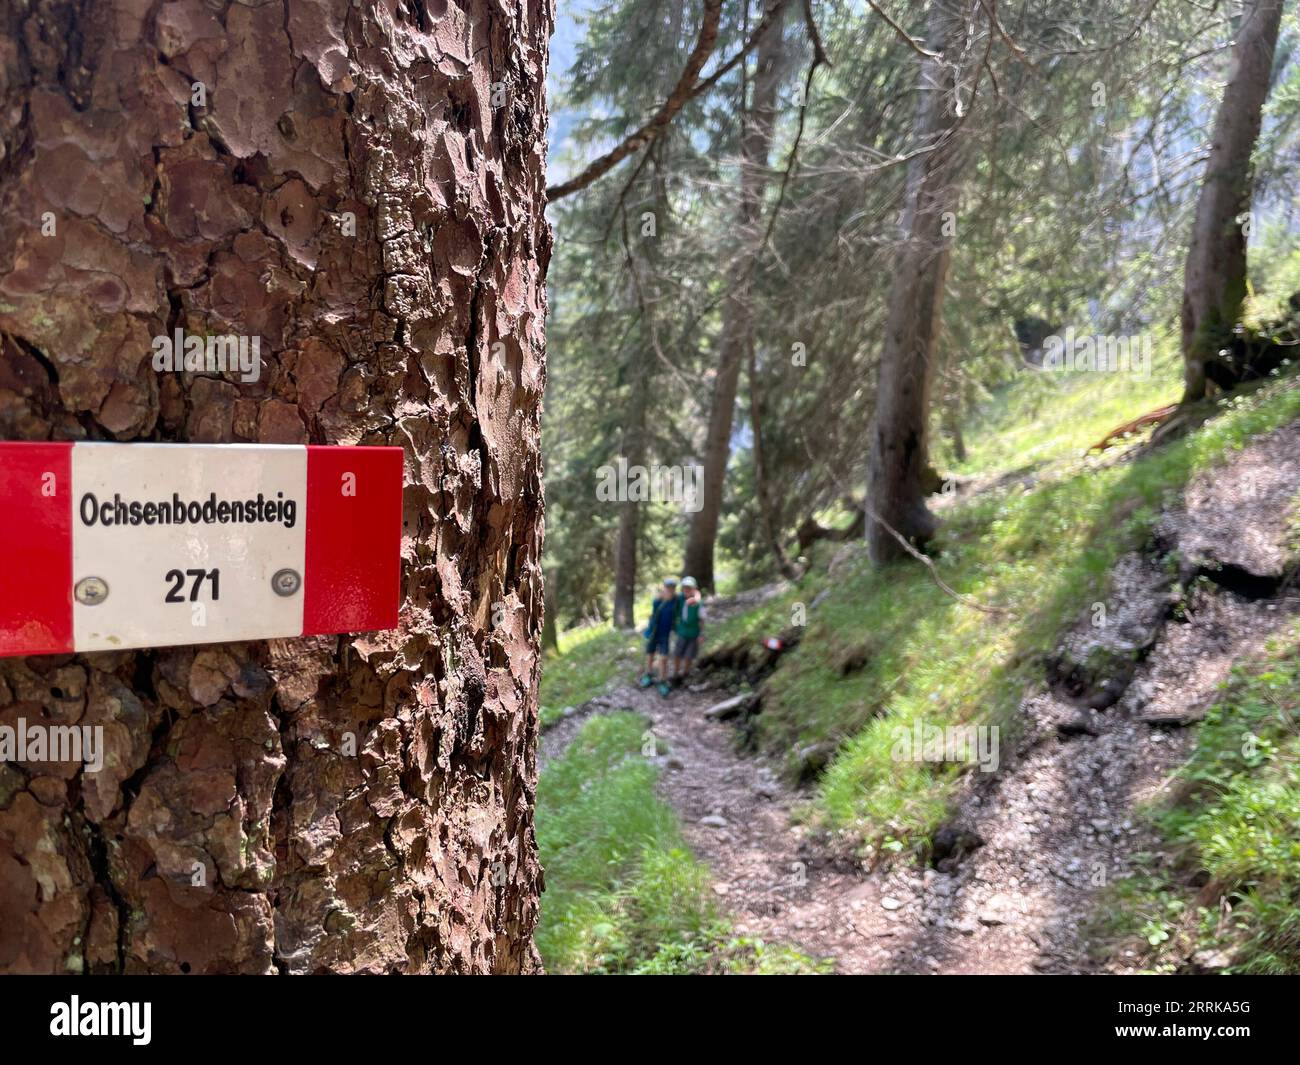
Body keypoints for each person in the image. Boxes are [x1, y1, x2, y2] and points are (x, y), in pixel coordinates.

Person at [640, 578, 678, 696]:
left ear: (674, 589)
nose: (669, 590)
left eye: (671, 588)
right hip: (653, 632)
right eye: (667, 587)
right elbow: (654, 611)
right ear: (664, 588)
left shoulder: (676, 601)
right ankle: (648, 674)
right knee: (650, 654)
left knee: (664, 658)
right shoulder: (658, 600)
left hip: (665, 635)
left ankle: (662, 680)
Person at [672, 576, 703, 684]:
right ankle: (676, 673)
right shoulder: (680, 599)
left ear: (694, 589)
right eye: (685, 588)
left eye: (689, 588)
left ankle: (685, 674)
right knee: (677, 653)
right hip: (682, 632)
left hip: (693, 633)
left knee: (688, 656)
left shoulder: (698, 603)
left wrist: (701, 634)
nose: (686, 590)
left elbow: (701, 619)